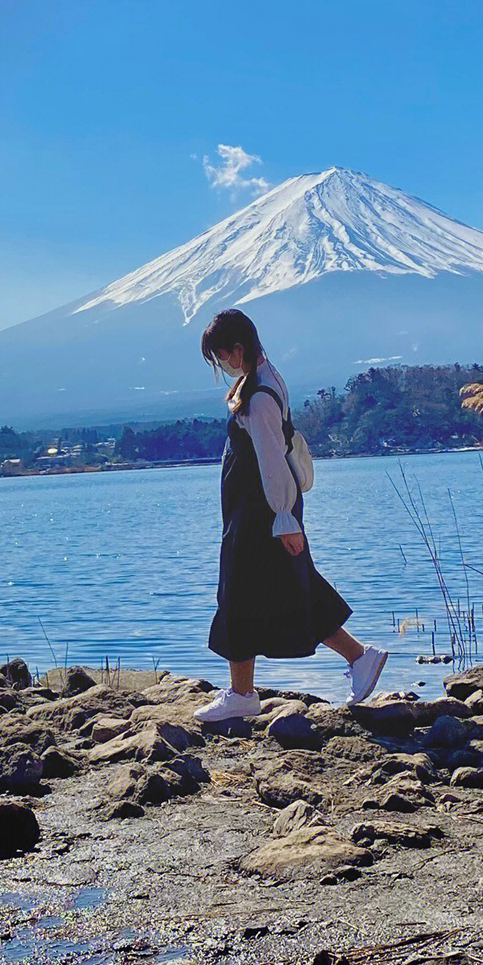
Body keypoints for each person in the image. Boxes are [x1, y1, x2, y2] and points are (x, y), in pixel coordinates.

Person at [195, 308, 387, 722]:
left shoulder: (260, 397)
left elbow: (271, 461)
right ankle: (357, 659)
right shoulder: (261, 378)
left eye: (221, 355)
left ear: (238, 349)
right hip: (259, 512)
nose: (221, 365)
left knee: (242, 592)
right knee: (288, 589)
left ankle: (244, 693)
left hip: (260, 514)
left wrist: (285, 519)